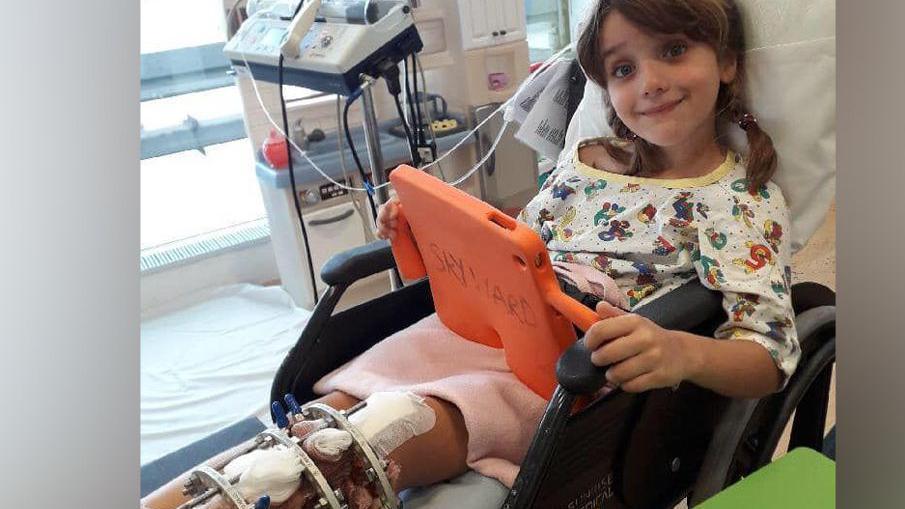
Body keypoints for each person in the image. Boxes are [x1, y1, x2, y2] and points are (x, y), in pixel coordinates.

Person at [142, 1, 799, 507]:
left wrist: (680, 350)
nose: (648, 82)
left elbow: (768, 356)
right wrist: (429, 232)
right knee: (304, 432)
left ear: (727, 62)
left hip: (557, 368)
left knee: (358, 444)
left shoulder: (736, 201)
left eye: (674, 50)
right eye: (623, 68)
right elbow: (515, 245)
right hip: (476, 323)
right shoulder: (585, 161)